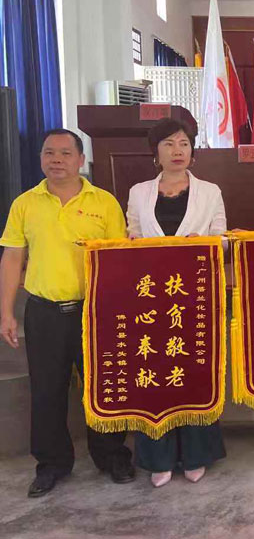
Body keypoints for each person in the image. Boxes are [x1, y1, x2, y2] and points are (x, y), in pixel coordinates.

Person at [0, 129, 135, 497]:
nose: (56, 160)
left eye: (65, 153)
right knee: (47, 391)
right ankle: (51, 464)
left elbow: (119, 257)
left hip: (95, 312)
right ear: (41, 159)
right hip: (44, 312)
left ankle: (112, 456)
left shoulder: (104, 202)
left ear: (80, 160)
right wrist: (6, 313)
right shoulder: (25, 203)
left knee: (103, 387)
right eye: (49, 153)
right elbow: (12, 258)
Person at [126, 118, 228, 487]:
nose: (177, 150)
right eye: (168, 144)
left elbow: (222, 239)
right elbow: (132, 238)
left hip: (195, 295)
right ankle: (159, 457)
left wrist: (202, 244)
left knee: (193, 370)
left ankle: (196, 454)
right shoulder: (139, 192)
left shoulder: (210, 191)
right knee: (155, 372)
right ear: (156, 152)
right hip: (151, 297)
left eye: (183, 143)